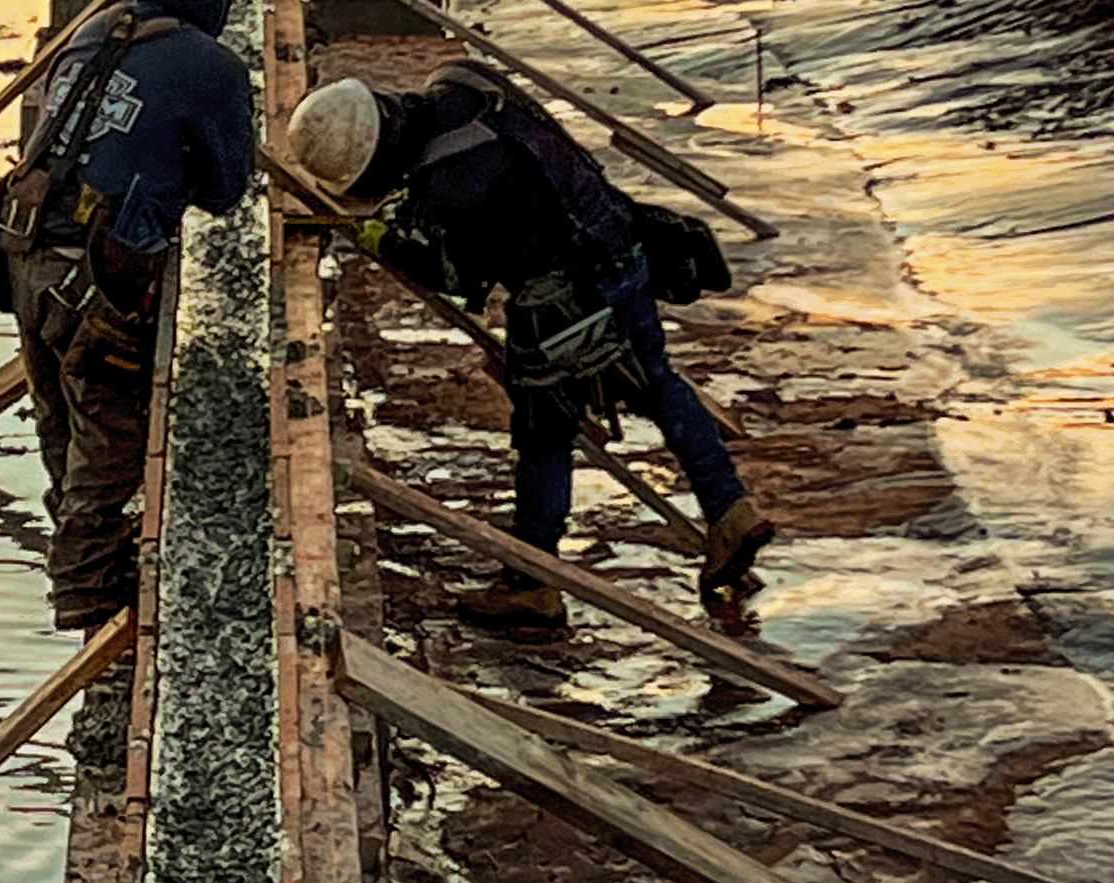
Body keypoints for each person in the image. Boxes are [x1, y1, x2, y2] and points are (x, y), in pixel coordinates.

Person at [284, 63, 770, 630]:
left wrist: (388, 240)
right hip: (620, 240)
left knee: (544, 431)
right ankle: (729, 508)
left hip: (565, 292)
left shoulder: (449, 185)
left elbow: (461, 275)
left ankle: (534, 580)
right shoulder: (459, 86)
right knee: (658, 383)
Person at [9, 0, 257, 632]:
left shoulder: (94, 28)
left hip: (23, 251)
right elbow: (224, 190)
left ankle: (91, 567)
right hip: (96, 282)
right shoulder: (210, 67)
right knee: (112, 440)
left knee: (62, 423)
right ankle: (87, 594)